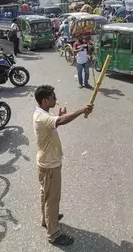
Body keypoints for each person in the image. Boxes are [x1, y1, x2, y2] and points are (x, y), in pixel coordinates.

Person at [33, 85, 93, 246]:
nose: (56, 99)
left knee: (45, 194)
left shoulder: (42, 113)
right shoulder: (42, 117)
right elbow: (60, 121)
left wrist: (59, 117)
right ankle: (54, 234)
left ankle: (46, 220)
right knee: (52, 200)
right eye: (53, 97)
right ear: (45, 100)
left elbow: (56, 122)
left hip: (45, 163)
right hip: (50, 166)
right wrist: (81, 110)